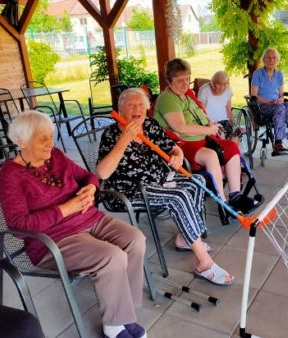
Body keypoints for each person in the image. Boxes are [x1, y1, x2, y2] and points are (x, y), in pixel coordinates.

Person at [0, 110, 147, 338]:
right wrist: (67, 208)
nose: (51, 143)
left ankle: (125, 312)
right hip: (53, 240)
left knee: (136, 239)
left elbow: (89, 176)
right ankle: (114, 326)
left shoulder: (55, 156)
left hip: (90, 219)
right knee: (112, 256)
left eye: (51, 135)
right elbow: (18, 225)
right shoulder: (10, 175)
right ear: (21, 141)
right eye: (42, 138)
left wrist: (92, 187)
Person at [97, 88, 235, 286]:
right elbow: (102, 173)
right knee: (178, 196)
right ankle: (204, 263)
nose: (137, 109)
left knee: (197, 182)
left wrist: (178, 154)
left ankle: (184, 238)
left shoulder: (150, 125)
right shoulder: (111, 134)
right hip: (130, 190)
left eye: (141, 105)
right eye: (131, 105)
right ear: (120, 109)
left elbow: (172, 145)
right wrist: (125, 138)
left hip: (159, 179)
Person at [152, 58, 259, 215]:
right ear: (168, 81)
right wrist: (209, 130)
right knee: (211, 155)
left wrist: (211, 125)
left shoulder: (186, 94)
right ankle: (223, 203)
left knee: (231, 147)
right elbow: (180, 127)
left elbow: (201, 113)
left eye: (187, 79)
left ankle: (235, 195)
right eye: (180, 80)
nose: (185, 84)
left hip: (201, 139)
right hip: (181, 146)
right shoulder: (168, 98)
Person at [251, 47, 288, 155]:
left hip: (276, 104)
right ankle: (278, 143)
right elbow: (254, 96)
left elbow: (281, 94)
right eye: (268, 58)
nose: (271, 60)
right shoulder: (257, 74)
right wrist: (269, 102)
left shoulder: (279, 74)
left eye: (274, 58)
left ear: (277, 61)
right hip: (262, 106)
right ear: (264, 60)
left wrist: (280, 99)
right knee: (280, 108)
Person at [197, 71, 240, 141]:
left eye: (225, 84)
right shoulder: (205, 90)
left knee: (236, 133)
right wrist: (211, 126)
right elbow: (202, 113)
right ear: (213, 83)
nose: (222, 87)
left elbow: (229, 111)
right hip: (210, 123)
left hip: (225, 121)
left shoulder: (228, 90)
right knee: (222, 136)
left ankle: (233, 151)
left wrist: (235, 125)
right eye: (219, 84)